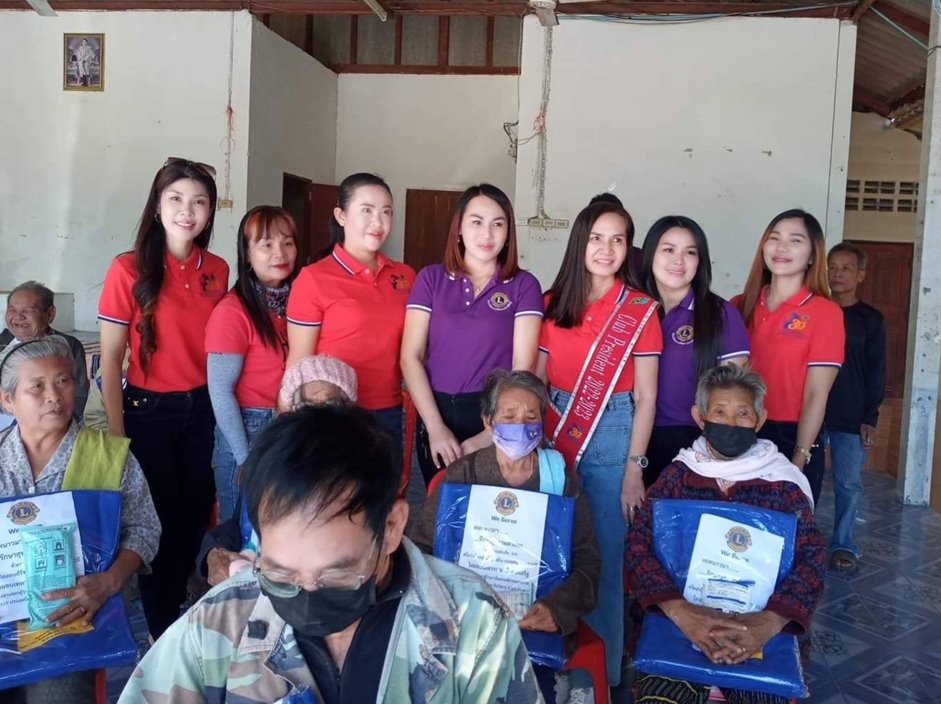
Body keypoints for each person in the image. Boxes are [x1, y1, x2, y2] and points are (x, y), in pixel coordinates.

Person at [120, 405, 544, 703]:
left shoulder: (471, 620)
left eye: (336, 576)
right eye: (280, 575)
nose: (306, 595)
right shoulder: (219, 621)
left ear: (391, 528)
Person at [626, 365, 826, 704]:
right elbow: (638, 546)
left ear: (760, 420)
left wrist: (770, 622)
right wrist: (681, 613)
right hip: (681, 626)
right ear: (700, 417)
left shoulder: (783, 485)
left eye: (743, 413)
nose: (731, 423)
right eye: (719, 411)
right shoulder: (677, 478)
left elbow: (813, 559)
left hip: (759, 634)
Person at [409, 369, 601, 703]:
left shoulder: (558, 480)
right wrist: (446, 604)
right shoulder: (463, 475)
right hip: (465, 623)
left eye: (531, 417)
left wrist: (556, 610)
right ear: (489, 421)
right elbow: (419, 548)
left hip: (532, 626)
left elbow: (588, 560)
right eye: (509, 416)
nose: (520, 425)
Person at [97, 157, 228, 639]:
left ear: (210, 213)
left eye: (199, 202)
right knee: (158, 522)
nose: (186, 211)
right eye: (175, 199)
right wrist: (117, 437)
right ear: (156, 206)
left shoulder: (217, 269)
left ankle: (179, 602)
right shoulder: (127, 268)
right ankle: (160, 628)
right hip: (148, 413)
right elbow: (111, 360)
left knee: (196, 516)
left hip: (204, 411)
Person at [538, 199, 662, 686]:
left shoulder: (640, 310)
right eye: (596, 238)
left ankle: (603, 679)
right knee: (552, 553)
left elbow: (647, 397)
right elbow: (537, 380)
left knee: (607, 558)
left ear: (628, 248)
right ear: (580, 242)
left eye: (618, 240)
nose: (606, 249)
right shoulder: (553, 302)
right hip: (554, 425)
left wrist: (634, 469)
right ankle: (551, 663)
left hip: (614, 431)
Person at [0, 337, 159, 703]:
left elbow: (146, 529)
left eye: (64, 381)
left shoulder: (109, 456)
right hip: (6, 609)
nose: (54, 396)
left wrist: (108, 581)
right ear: (8, 400)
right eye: (37, 387)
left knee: (57, 693)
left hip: (75, 614)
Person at [286, 173, 418, 498]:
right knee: (334, 505)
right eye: (367, 210)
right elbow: (299, 363)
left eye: (386, 212)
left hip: (389, 412)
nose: (378, 221)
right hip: (333, 414)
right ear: (341, 215)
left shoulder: (404, 276)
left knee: (383, 504)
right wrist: (289, 430)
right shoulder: (314, 278)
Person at [402, 184, 543, 488]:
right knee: (440, 503)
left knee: (492, 509)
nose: (487, 234)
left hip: (495, 414)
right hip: (435, 410)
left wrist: (487, 434)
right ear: (459, 228)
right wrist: (435, 427)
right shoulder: (431, 279)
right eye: (476, 222)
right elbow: (410, 357)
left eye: (498, 224)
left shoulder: (524, 285)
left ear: (509, 233)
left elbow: (522, 366)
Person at [198, 354, 359, 587]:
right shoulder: (267, 462)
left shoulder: (356, 475)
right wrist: (213, 553)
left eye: (330, 405)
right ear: (290, 412)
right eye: (305, 406)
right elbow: (238, 525)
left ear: (348, 412)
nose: (316, 416)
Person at [735, 209, 844, 505]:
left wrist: (799, 457)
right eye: (774, 238)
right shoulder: (739, 306)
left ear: (812, 255)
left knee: (786, 527)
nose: (781, 247)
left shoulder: (825, 313)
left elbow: (816, 394)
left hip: (792, 436)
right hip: (738, 432)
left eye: (795, 240)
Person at [639, 217, 750, 487]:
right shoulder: (632, 310)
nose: (679, 260)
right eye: (668, 250)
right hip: (630, 439)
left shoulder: (721, 314)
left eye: (690, 252)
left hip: (696, 444)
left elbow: (734, 392)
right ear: (650, 254)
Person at [206, 206, 298, 522]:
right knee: (240, 530)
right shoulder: (232, 311)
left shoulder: (300, 305)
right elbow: (220, 390)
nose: (279, 253)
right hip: (247, 431)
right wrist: (244, 457)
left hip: (289, 427)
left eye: (287, 243)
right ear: (247, 254)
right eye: (266, 244)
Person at [824, 242, 886, 571]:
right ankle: (800, 541)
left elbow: (876, 371)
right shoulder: (816, 311)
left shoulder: (870, 320)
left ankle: (843, 543)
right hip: (812, 413)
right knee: (802, 480)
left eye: (846, 268)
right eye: (832, 267)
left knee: (848, 484)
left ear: (860, 275)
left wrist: (869, 417)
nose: (838, 274)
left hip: (851, 415)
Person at [2, 281, 89, 422]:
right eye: (12, 310)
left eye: (28, 310)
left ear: (50, 314)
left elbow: (79, 398)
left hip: (47, 421)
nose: (18, 316)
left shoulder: (67, 347)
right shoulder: (3, 341)